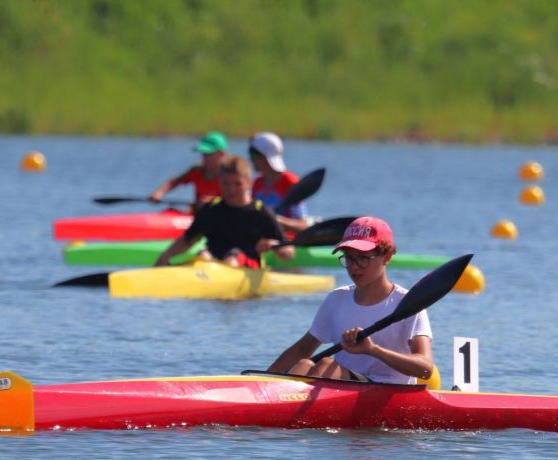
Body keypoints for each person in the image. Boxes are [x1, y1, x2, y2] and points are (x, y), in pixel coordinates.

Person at [266, 216, 434, 384]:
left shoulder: (408, 304)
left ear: (387, 256)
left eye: (362, 258)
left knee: (325, 364)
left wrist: (373, 350)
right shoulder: (337, 299)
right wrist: (261, 380)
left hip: (389, 392)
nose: (353, 266)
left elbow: (425, 368)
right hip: (342, 384)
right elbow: (302, 349)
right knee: (303, 364)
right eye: (348, 257)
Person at [154, 156, 294, 269]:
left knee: (232, 260)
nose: (231, 190)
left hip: (247, 264)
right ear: (219, 182)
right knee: (203, 255)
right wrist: (164, 257)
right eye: (226, 184)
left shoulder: (260, 212)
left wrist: (274, 246)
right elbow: (187, 241)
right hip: (210, 261)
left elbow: (289, 253)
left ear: (248, 183)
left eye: (237, 184)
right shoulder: (211, 209)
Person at [248, 132, 311, 233]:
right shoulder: (257, 183)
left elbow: (303, 226)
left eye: (253, 156)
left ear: (264, 157)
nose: (251, 160)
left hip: (287, 242)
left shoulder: (290, 182)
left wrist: (274, 219)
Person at [149, 131, 230, 209]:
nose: (204, 157)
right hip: (199, 214)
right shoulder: (197, 170)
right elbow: (175, 181)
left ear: (221, 154)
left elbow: (238, 198)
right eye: (203, 153)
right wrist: (160, 192)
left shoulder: (231, 174)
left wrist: (214, 201)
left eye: (208, 154)